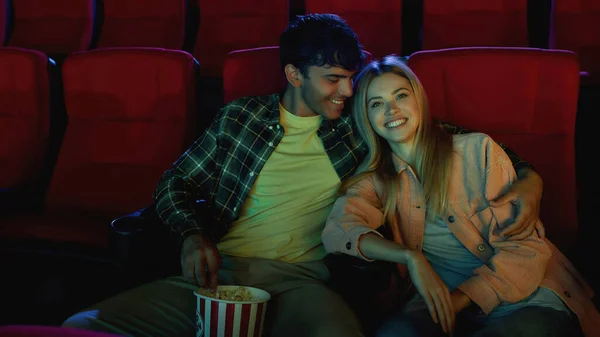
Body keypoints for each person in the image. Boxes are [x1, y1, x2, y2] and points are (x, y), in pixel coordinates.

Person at [62, 14, 544, 337]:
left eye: (351, 77)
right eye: (332, 78)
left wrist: (529, 180)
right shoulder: (240, 119)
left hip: (304, 282)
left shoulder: (359, 125)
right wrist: (190, 234)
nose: (347, 90)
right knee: (81, 325)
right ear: (294, 75)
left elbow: (444, 136)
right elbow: (175, 183)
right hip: (219, 274)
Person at [322, 55, 600, 337]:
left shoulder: (477, 150)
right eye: (377, 103)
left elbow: (526, 251)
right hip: (438, 298)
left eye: (401, 96)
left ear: (418, 101)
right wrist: (409, 257)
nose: (391, 110)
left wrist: (460, 301)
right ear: (366, 117)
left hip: (526, 295)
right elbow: (339, 229)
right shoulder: (376, 178)